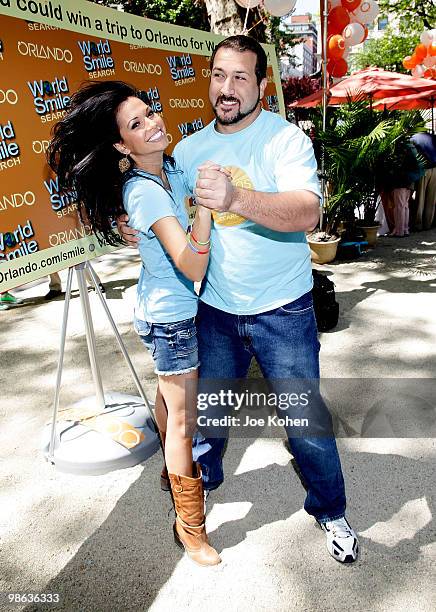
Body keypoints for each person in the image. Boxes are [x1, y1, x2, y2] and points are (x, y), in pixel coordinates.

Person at [118, 35, 359, 564]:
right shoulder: (188, 149)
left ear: (261, 85)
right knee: (209, 415)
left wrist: (236, 197)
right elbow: (165, 204)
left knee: (306, 422)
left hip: (284, 310)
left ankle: (331, 509)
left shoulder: (285, 140)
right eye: (219, 76)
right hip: (215, 309)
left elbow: (305, 214)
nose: (227, 89)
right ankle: (201, 483)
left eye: (241, 78)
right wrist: (133, 225)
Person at [48, 80, 221, 566]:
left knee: (170, 402)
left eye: (150, 112)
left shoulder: (168, 170)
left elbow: (182, 200)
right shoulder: (145, 192)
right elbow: (192, 264)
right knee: (185, 421)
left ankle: (172, 472)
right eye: (136, 124)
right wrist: (205, 213)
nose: (152, 124)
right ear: (122, 145)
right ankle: (191, 529)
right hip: (170, 318)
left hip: (168, 310)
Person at [410, 132, 436, 231]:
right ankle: (428, 223)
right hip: (435, 169)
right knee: (431, 198)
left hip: (423, 169)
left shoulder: (412, 139)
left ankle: (418, 224)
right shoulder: (431, 136)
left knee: (420, 197)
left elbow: (414, 156)